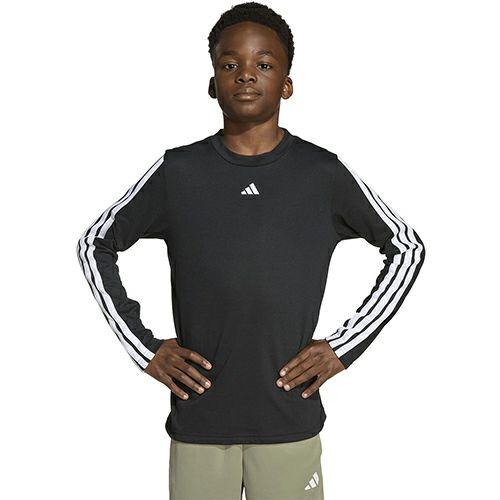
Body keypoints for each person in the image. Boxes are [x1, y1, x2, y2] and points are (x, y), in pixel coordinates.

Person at [76, 2, 426, 499]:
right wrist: (146, 348)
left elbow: (407, 247)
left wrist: (343, 348)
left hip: (288, 418)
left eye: (263, 64)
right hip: (200, 420)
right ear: (212, 83)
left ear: (286, 84)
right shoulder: (179, 172)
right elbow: (94, 243)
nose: (245, 74)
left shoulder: (320, 173)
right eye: (229, 63)